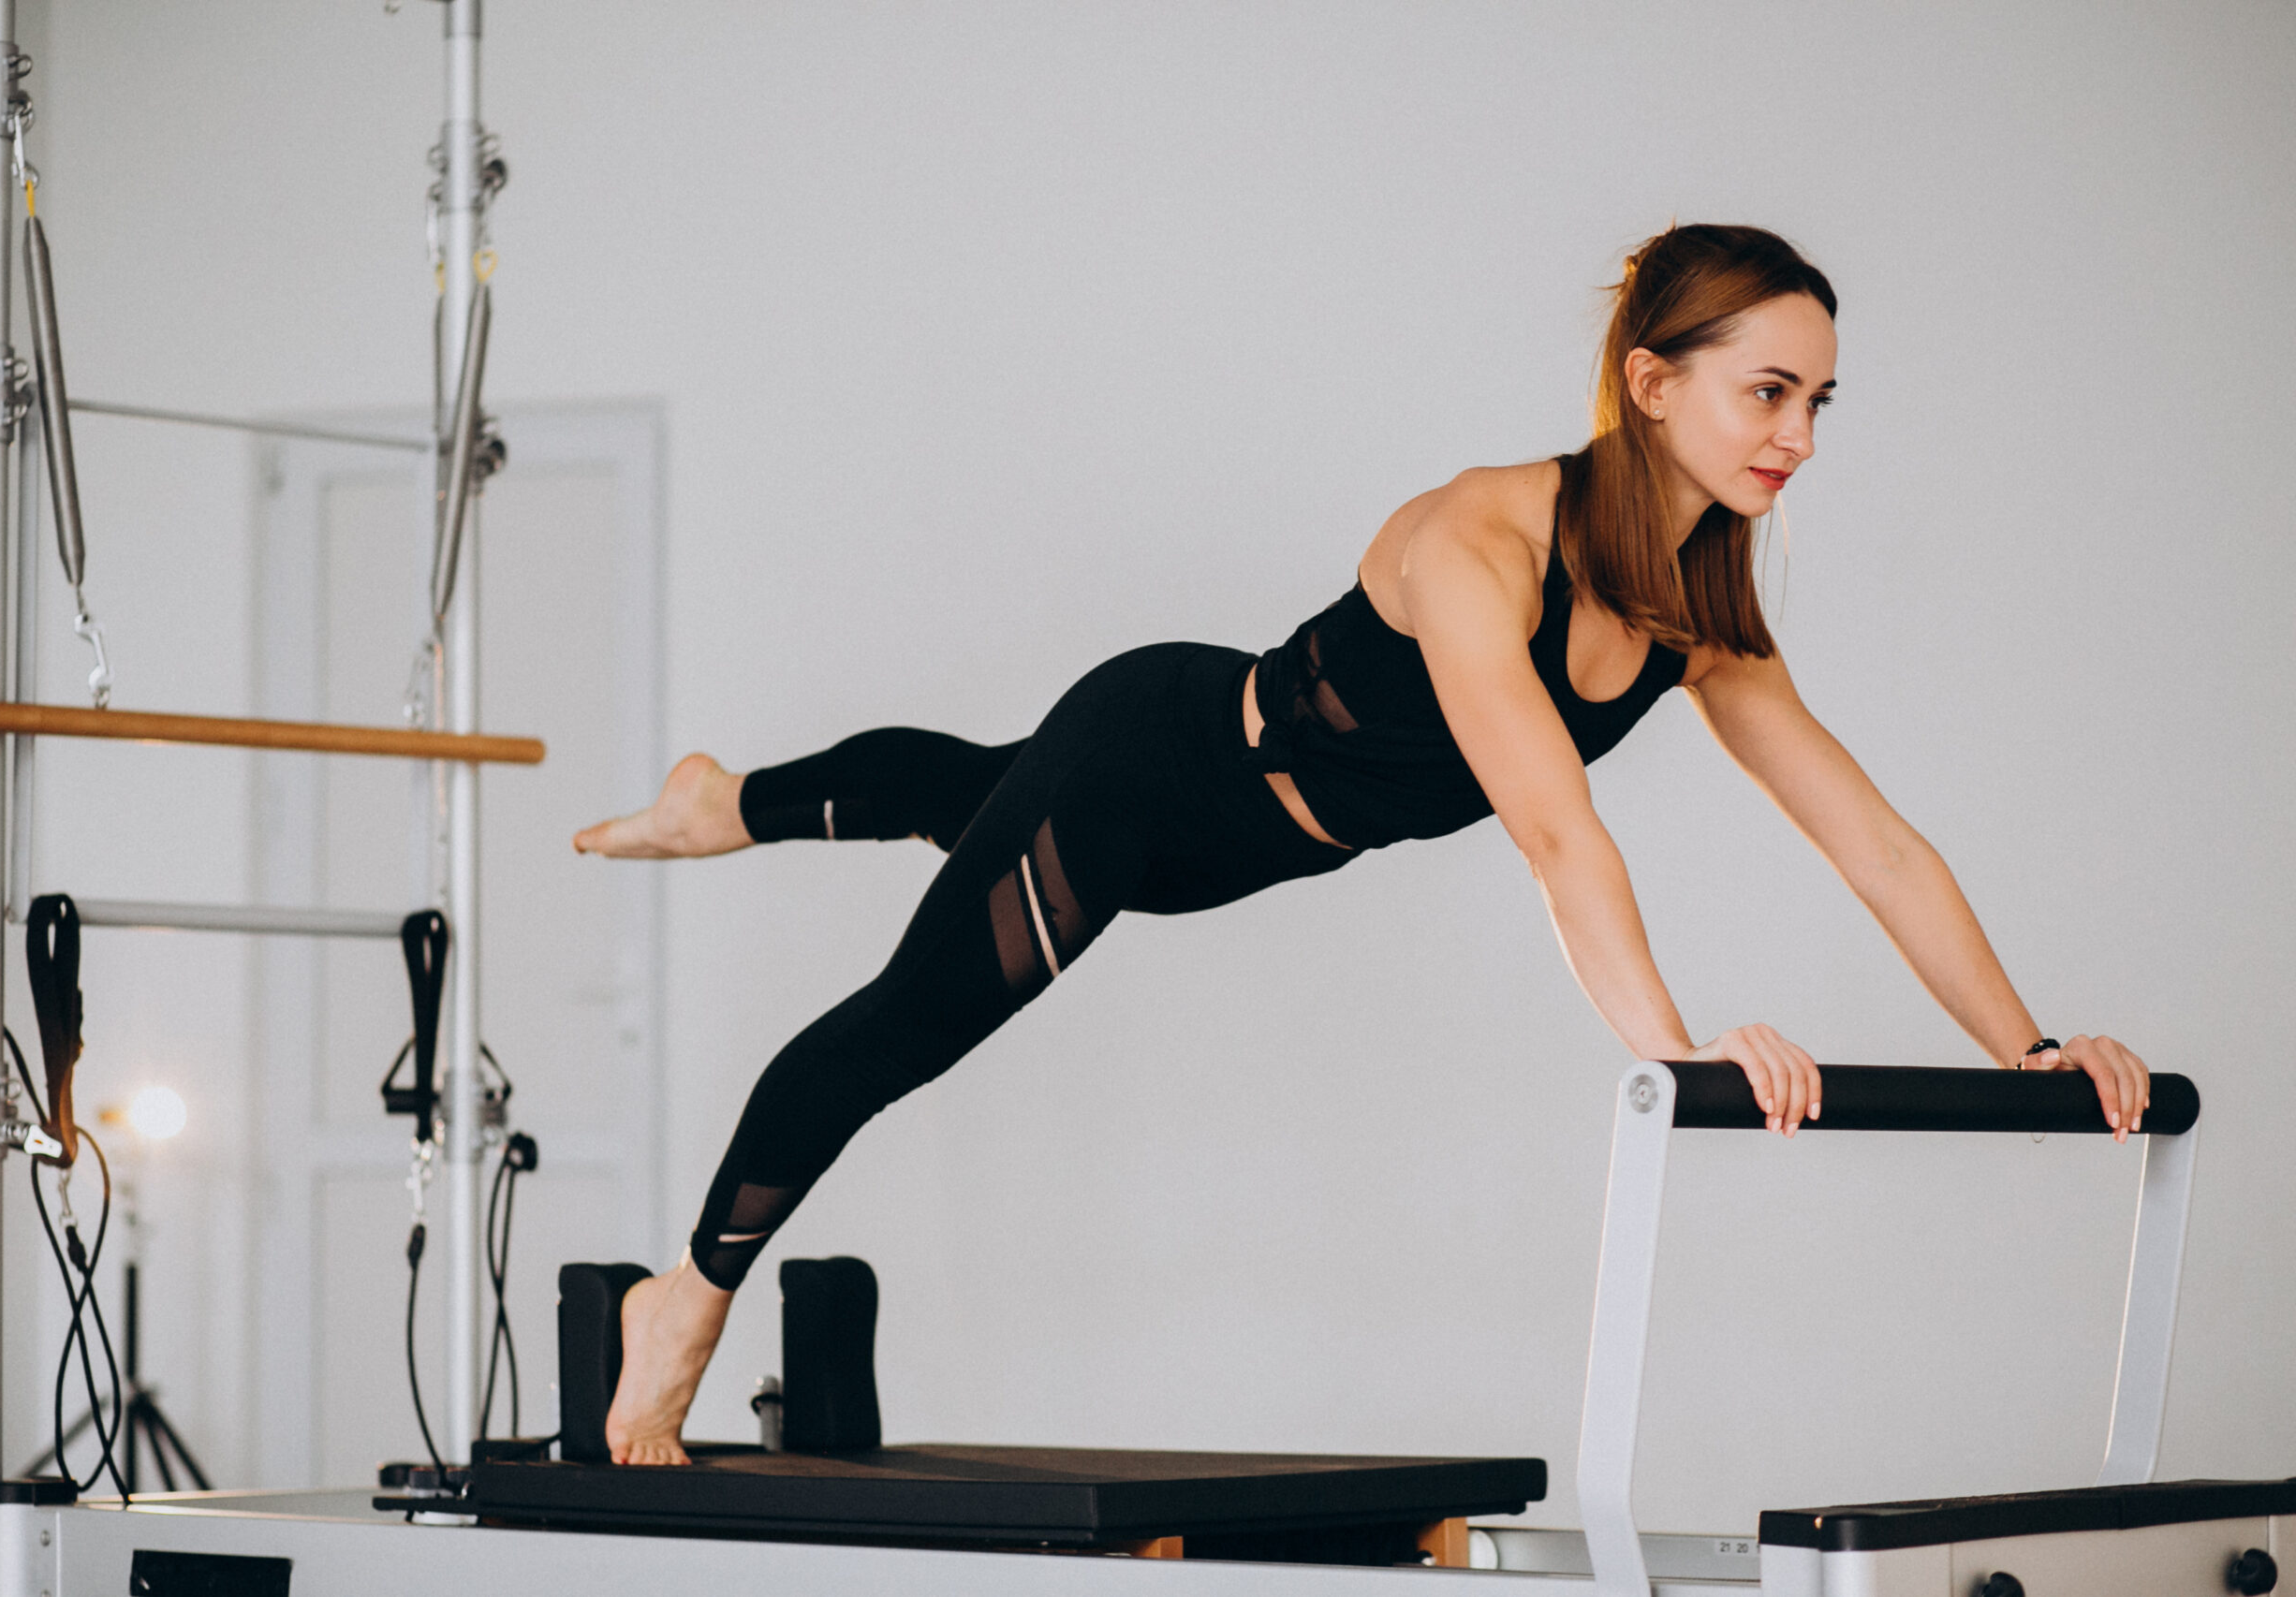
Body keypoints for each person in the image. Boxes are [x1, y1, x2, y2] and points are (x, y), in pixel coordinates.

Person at [573, 223, 2153, 1466]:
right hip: (1156, 765)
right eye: (1768, 391)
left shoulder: (1702, 619)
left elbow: (1875, 844)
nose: (1799, 434)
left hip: (1250, 844)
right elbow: (1556, 830)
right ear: (1654, 381)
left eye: (1818, 400)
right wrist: (1671, 1055)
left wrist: (2029, 1045)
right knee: (915, 1015)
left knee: (971, 789)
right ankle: (689, 1295)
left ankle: (730, 798)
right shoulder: (1480, 536)